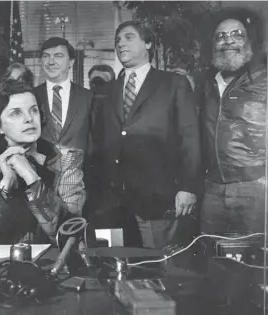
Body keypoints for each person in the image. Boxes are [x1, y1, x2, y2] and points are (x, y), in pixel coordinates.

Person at [90, 21, 201, 249]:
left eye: (128, 37)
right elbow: (97, 143)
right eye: (118, 40)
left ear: (148, 43)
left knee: (157, 268)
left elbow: (190, 138)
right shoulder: (105, 92)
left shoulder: (173, 84)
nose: (121, 44)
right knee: (114, 268)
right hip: (111, 203)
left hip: (156, 200)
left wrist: (188, 187)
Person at [0, 79, 85, 243]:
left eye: (33, 110)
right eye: (16, 113)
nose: (29, 119)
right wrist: (4, 188)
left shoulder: (67, 158)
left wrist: (33, 180)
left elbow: (70, 233)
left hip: (49, 262)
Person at [198, 8, 266, 235]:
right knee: (215, 259)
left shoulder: (264, 80)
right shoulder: (206, 83)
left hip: (255, 189)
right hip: (212, 190)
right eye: (220, 36)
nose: (228, 41)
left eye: (237, 34)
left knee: (254, 261)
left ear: (250, 41)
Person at [34, 37, 94, 155]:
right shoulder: (31, 96)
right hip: (38, 171)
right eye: (46, 56)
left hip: (78, 171)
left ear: (71, 62)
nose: (51, 62)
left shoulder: (88, 98)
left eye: (58, 56)